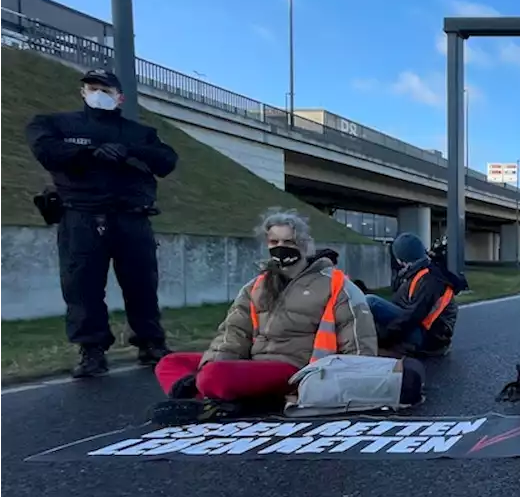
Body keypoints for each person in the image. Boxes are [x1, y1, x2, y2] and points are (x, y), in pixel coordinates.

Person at [149, 210, 378, 425]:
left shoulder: (336, 285)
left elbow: (358, 344)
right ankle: (216, 400)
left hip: (298, 371)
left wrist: (351, 385)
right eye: (274, 242)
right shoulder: (256, 286)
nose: (281, 248)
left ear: (305, 245)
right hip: (254, 364)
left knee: (213, 377)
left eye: (288, 242)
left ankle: (207, 398)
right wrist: (212, 363)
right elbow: (234, 334)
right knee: (170, 363)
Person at [25, 67, 179, 379]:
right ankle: (91, 351)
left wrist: (129, 151)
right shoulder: (55, 124)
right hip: (80, 215)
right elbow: (46, 151)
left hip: (131, 216)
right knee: (82, 286)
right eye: (92, 87)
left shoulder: (139, 132)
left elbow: (166, 160)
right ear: (82, 92)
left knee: (142, 284)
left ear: (118, 97)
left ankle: (151, 342)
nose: (98, 93)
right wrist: (90, 153)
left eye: (105, 89)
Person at [369, 232, 467, 358]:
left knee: (371, 302)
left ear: (401, 259)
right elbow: (398, 305)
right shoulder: (418, 274)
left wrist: (384, 338)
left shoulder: (429, 279)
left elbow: (412, 317)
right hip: (425, 333)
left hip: (429, 339)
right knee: (370, 303)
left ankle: (367, 343)